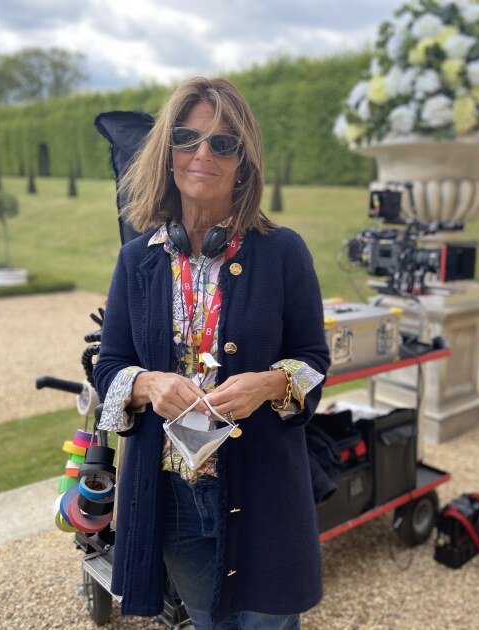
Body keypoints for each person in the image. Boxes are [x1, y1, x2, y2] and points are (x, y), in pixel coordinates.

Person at [93, 76, 330, 629]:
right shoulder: (136, 261)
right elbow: (108, 367)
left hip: (263, 487)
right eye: (187, 138)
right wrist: (148, 385)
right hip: (172, 495)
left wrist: (270, 384)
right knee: (207, 622)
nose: (203, 153)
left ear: (243, 162)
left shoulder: (284, 252)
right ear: (166, 152)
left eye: (223, 143)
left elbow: (314, 359)